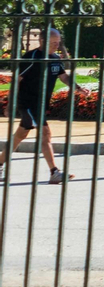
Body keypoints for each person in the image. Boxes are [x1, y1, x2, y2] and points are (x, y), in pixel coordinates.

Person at [1, 28, 81, 183]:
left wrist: (77, 87)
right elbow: (16, 81)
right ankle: (54, 172)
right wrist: (10, 104)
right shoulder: (31, 58)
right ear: (42, 41)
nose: (56, 46)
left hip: (40, 105)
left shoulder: (55, 58)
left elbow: (63, 76)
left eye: (58, 43)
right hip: (28, 104)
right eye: (53, 43)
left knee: (19, 136)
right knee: (45, 134)